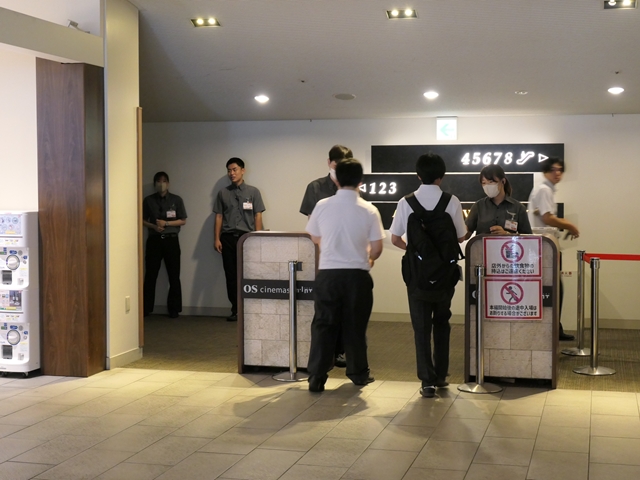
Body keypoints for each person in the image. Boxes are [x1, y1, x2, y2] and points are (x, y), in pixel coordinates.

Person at [390, 153, 466, 398]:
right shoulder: (452, 201)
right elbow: (461, 236)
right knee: (442, 322)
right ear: (441, 177)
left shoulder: (406, 202)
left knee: (421, 327)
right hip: (444, 275)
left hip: (417, 276)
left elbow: (395, 239)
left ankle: (427, 382)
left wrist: (416, 252)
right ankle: (441, 375)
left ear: (418, 175)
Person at [305, 158, 385, 392]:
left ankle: (316, 376)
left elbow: (314, 236)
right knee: (355, 326)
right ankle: (358, 373)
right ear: (360, 181)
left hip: (328, 275)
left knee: (323, 325)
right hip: (357, 276)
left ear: (336, 179)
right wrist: (369, 258)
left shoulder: (322, 205)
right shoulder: (369, 209)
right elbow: (377, 248)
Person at [300, 144, 353, 368]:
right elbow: (312, 226)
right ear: (329, 163)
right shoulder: (315, 187)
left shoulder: (353, 188)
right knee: (324, 310)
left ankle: (341, 351)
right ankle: (323, 358)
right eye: (336, 163)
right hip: (323, 255)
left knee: (346, 307)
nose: (339, 167)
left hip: (348, 256)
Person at [528, 157, 579, 341]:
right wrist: (570, 225)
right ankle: (552, 329)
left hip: (544, 246)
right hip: (543, 247)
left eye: (560, 169)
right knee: (553, 288)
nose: (557, 173)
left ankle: (554, 327)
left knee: (553, 288)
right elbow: (547, 218)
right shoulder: (544, 190)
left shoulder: (545, 189)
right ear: (545, 171)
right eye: (553, 169)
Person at [213, 158, 265, 322]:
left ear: (243, 170)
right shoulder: (223, 193)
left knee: (249, 274)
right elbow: (219, 216)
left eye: (234, 169)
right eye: (229, 170)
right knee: (231, 275)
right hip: (227, 238)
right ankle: (235, 309)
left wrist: (258, 238)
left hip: (247, 239)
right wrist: (216, 238)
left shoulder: (253, 192)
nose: (232, 173)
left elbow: (257, 215)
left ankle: (250, 309)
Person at [143, 171, 187, 318]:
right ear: (154, 183)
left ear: (168, 183)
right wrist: (154, 226)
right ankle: (146, 308)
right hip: (154, 240)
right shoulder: (148, 200)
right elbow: (141, 220)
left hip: (171, 239)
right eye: (158, 181)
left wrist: (166, 223)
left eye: (164, 181)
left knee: (174, 275)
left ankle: (174, 309)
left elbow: (183, 220)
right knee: (150, 274)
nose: (161, 184)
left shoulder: (176, 200)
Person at [465, 164, 532, 238]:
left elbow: (528, 238)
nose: (487, 186)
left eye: (491, 182)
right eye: (484, 183)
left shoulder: (518, 208)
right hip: (482, 245)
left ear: (503, 181)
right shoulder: (479, 206)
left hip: (509, 245)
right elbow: (466, 234)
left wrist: (507, 234)